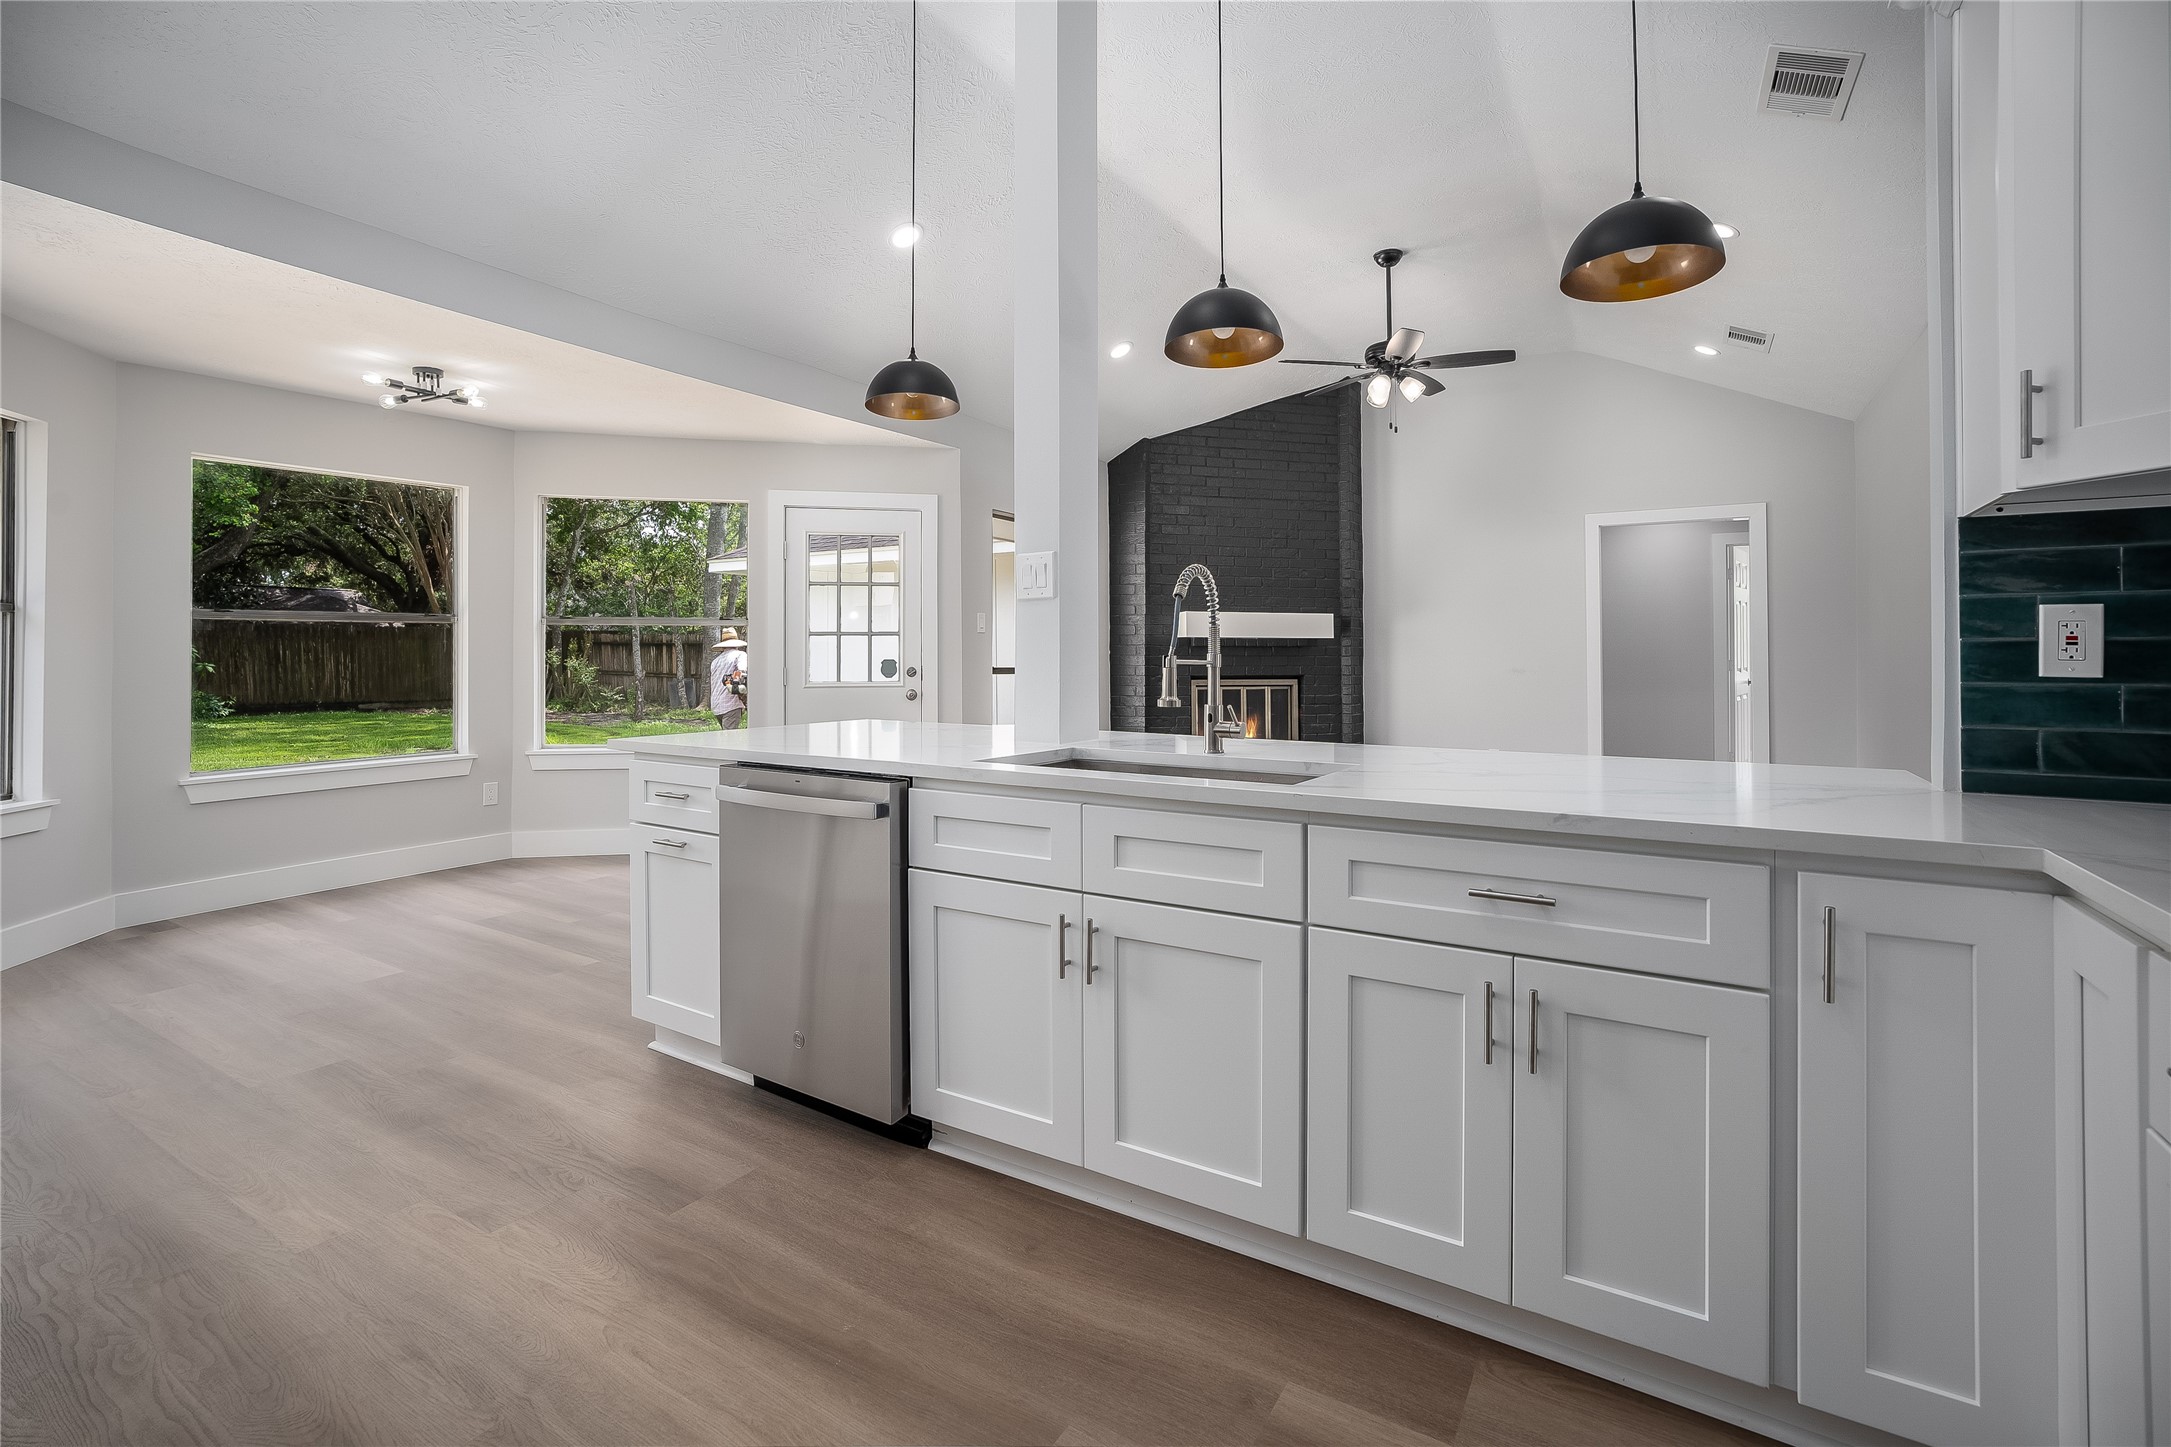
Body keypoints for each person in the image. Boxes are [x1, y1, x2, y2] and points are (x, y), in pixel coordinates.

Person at [710, 629, 748, 730]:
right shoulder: (740, 655)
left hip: (717, 704)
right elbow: (742, 671)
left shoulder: (715, 661)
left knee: (726, 734)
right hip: (731, 704)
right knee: (730, 737)